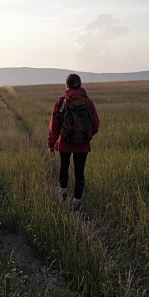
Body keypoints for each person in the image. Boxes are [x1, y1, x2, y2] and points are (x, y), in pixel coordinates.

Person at [48, 74, 99, 212]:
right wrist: (85, 136)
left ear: (67, 85)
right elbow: (95, 124)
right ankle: (77, 203)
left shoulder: (61, 102)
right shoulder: (88, 102)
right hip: (82, 145)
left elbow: (54, 125)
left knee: (64, 167)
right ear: (80, 84)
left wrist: (51, 143)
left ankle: (63, 194)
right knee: (79, 172)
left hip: (64, 142)